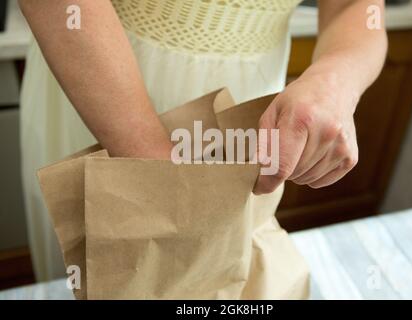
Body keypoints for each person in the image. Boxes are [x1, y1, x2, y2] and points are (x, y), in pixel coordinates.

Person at [19, 0, 387, 281]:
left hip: (247, 107)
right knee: (96, 271)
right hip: (97, 87)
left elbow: (358, 8)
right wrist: (151, 165)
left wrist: (333, 83)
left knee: (217, 274)